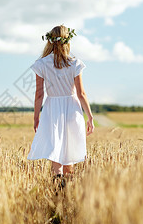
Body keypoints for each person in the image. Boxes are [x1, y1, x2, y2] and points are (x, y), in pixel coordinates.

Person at [27, 25, 94, 185]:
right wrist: (90, 117)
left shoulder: (42, 64)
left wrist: (36, 116)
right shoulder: (75, 63)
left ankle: (56, 190)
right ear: (67, 41)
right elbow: (81, 94)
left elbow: (39, 94)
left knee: (55, 151)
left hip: (52, 109)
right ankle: (67, 194)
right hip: (72, 108)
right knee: (69, 151)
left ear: (50, 40)